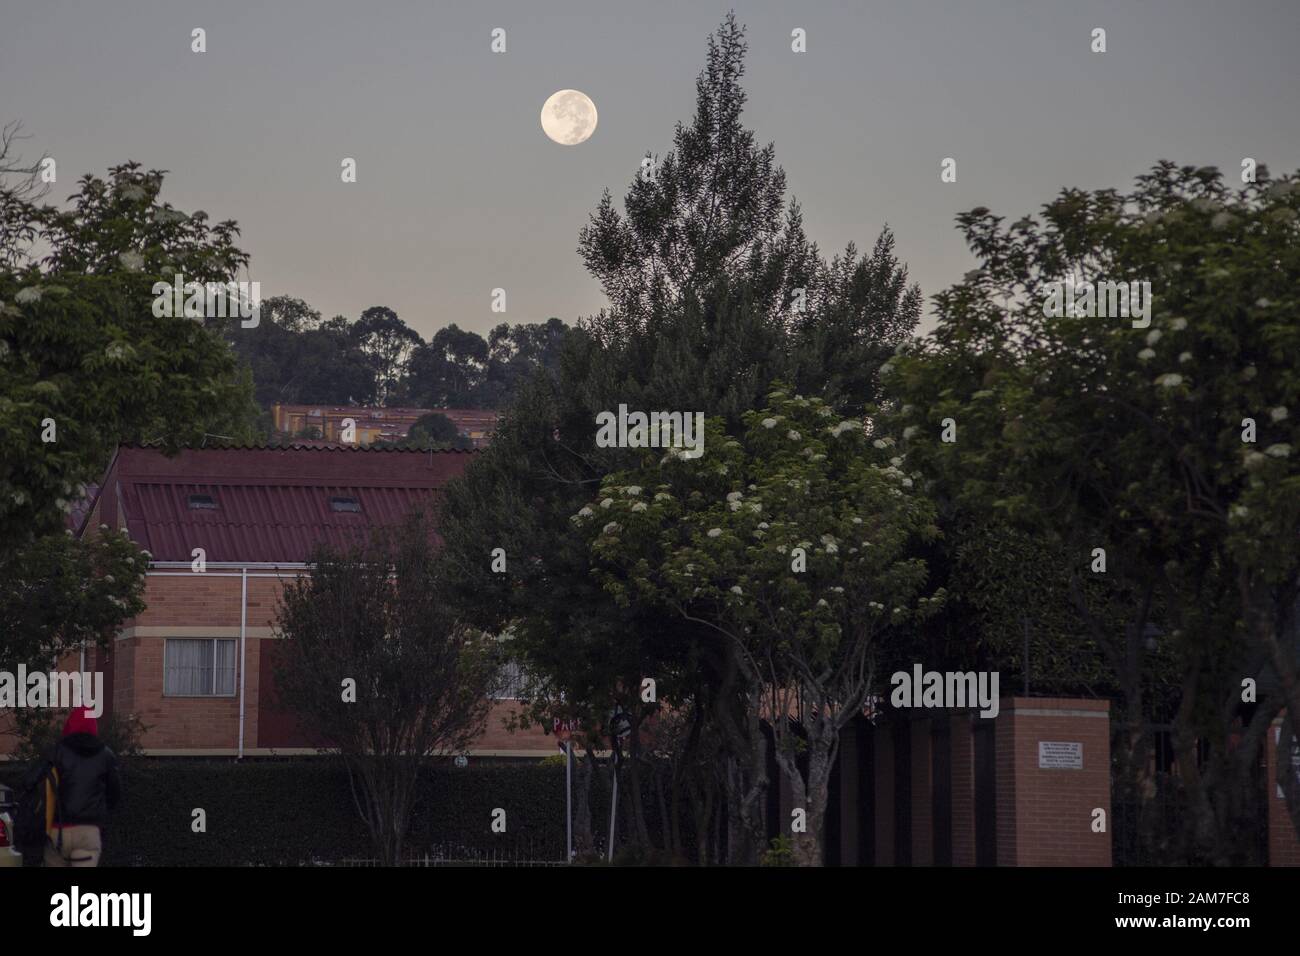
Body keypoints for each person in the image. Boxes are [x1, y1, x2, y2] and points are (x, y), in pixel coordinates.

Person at [43, 708, 121, 867]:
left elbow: (42, 788)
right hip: (88, 831)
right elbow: (115, 794)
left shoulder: (57, 752)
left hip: (57, 831)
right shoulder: (106, 755)